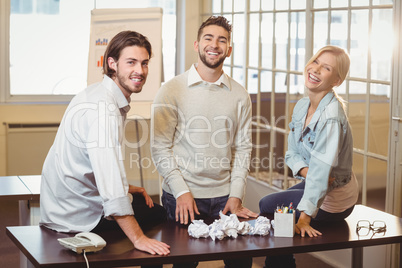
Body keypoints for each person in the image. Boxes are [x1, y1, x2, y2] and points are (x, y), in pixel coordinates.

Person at [39, 31, 170, 263]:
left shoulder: (95, 93)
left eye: (144, 63)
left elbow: (93, 166)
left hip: (62, 203)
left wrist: (127, 187)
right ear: (112, 63)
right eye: (131, 62)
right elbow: (110, 189)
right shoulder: (104, 111)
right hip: (76, 216)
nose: (139, 71)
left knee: (141, 202)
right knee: (161, 216)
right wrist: (138, 238)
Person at [151, 16, 258, 268]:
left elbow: (243, 149)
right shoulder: (172, 89)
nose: (215, 45)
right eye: (208, 38)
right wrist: (181, 191)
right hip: (183, 196)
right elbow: (159, 147)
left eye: (222, 40)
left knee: (241, 262)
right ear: (197, 45)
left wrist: (236, 194)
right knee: (185, 264)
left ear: (229, 50)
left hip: (225, 197)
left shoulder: (240, 95)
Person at [259, 45, 359, 268]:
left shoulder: (331, 117)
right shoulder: (303, 105)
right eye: (315, 62)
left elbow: (322, 174)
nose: (315, 69)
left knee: (269, 207)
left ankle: (278, 265)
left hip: (337, 200)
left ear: (336, 81)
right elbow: (291, 154)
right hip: (319, 183)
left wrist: (304, 217)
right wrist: (309, 172)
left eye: (326, 68)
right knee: (269, 204)